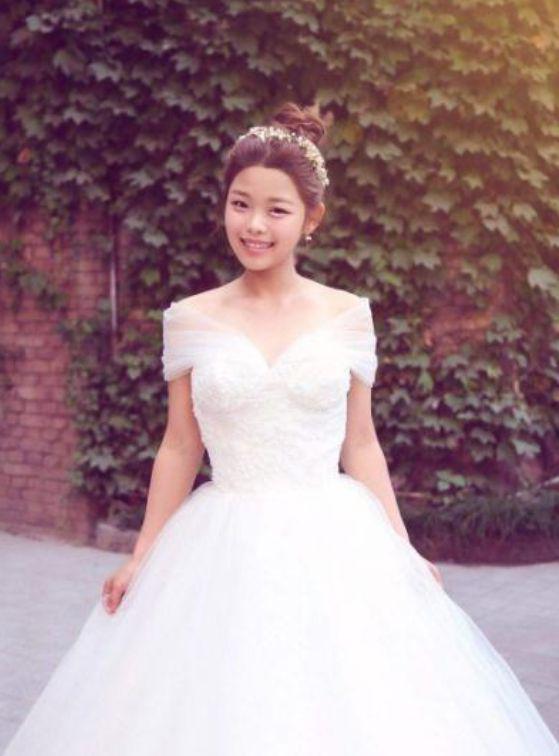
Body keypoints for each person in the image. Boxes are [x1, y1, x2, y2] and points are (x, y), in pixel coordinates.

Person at [4, 101, 558, 756]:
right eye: (240, 205)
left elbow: (360, 443)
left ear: (310, 219)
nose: (254, 225)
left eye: (276, 210)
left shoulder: (347, 316)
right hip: (221, 547)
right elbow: (180, 444)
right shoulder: (189, 319)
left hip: (335, 542)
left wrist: (402, 548)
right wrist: (143, 554)